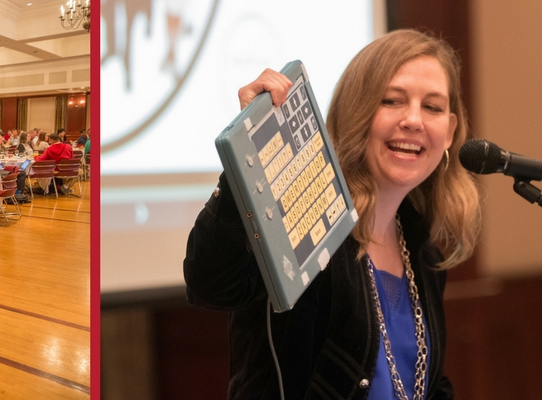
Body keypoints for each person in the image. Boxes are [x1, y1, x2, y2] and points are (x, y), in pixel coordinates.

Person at [183, 30, 480, 400]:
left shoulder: (424, 252)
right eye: (392, 101)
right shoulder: (308, 218)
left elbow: (421, 384)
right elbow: (210, 284)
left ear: (450, 131)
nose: (414, 120)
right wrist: (247, 155)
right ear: (357, 110)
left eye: (433, 107)